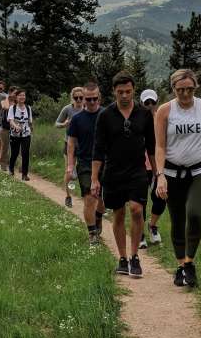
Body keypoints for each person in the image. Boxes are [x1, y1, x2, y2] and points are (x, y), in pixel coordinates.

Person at [154, 69, 201, 287]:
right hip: (173, 171)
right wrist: (160, 175)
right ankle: (181, 264)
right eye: (180, 90)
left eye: (189, 89)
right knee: (177, 218)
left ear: (196, 88)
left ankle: (190, 261)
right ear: (173, 89)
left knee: (193, 213)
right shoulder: (165, 111)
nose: (185, 94)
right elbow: (160, 145)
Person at [91, 72, 155, 279]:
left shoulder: (144, 114)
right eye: (120, 92)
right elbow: (98, 148)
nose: (125, 95)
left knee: (137, 210)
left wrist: (158, 173)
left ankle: (135, 255)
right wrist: (94, 178)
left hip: (138, 170)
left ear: (133, 90)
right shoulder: (106, 115)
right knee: (118, 213)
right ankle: (122, 257)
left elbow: (152, 146)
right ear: (114, 92)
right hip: (113, 171)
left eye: (128, 91)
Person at [67, 82, 106, 244]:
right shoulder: (76, 119)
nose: (91, 102)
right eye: (87, 99)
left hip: (106, 162)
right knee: (90, 198)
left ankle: (98, 217)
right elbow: (70, 143)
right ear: (82, 99)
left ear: (99, 98)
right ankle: (92, 233)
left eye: (94, 99)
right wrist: (70, 165)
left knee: (103, 199)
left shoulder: (107, 115)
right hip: (85, 162)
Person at [138, 89, 166, 250]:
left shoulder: (162, 119)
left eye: (152, 102)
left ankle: (153, 225)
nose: (149, 105)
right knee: (141, 200)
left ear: (156, 103)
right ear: (141, 103)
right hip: (140, 165)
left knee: (161, 198)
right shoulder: (137, 119)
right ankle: (140, 233)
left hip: (160, 166)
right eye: (146, 103)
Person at [56, 87, 85, 208]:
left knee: (83, 172)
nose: (78, 100)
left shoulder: (88, 109)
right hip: (69, 144)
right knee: (69, 172)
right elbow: (56, 123)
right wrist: (64, 124)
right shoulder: (67, 109)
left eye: (81, 97)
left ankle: (87, 198)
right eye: (76, 97)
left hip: (84, 145)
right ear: (72, 98)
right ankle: (68, 196)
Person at [7, 89, 34, 180]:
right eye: (20, 95)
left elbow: (30, 121)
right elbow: (10, 120)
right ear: (16, 97)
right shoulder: (12, 108)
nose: (22, 97)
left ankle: (24, 174)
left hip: (26, 134)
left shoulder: (28, 108)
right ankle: (11, 168)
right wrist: (15, 126)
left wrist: (31, 129)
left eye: (24, 95)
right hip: (15, 134)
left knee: (25, 153)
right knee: (14, 153)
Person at [0, 86, 15, 172]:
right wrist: (8, 98)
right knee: (5, 146)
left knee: (15, 147)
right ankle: (2, 164)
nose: (16, 95)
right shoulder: (4, 101)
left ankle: (14, 164)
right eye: (15, 93)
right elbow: (6, 107)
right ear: (10, 93)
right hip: (5, 128)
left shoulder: (17, 103)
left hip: (14, 129)